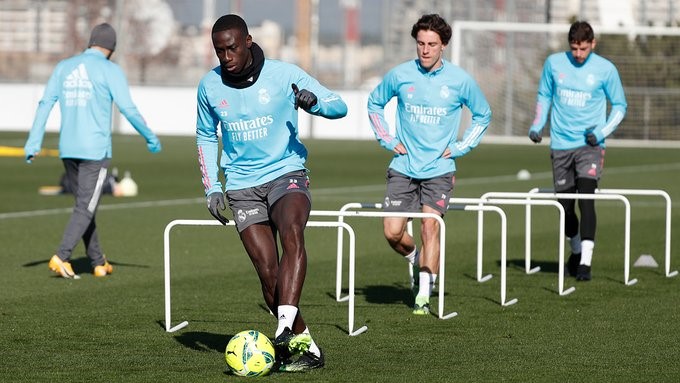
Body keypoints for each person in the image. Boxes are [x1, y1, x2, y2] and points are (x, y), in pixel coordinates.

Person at [196, 14, 347, 372]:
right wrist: (212, 187)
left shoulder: (284, 75)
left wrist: (315, 104)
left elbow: (339, 105)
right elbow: (205, 135)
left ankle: (281, 328)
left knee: (292, 233)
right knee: (268, 273)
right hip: (241, 186)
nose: (226, 56)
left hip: (286, 173)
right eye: (219, 50)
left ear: (248, 41)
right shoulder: (209, 86)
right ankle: (305, 346)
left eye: (232, 47)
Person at [367, 14, 492, 315]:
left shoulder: (460, 80)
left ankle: (423, 295)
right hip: (403, 166)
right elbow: (374, 104)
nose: (425, 50)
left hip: (439, 169)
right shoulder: (400, 75)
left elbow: (483, 114)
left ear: (443, 46)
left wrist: (462, 146)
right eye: (421, 43)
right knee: (392, 232)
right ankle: (416, 258)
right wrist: (387, 139)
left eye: (432, 44)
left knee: (430, 228)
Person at [24, 23, 162, 279]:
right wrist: (150, 137)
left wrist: (34, 142)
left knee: (85, 205)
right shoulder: (110, 69)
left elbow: (45, 103)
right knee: (85, 207)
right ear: (111, 48)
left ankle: (98, 261)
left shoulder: (64, 67)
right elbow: (128, 109)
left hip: (68, 149)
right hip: (95, 152)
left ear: (90, 43)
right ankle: (62, 256)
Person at [528, 21, 627, 281]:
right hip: (561, 144)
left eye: (583, 49)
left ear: (592, 44)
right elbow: (544, 95)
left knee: (587, 199)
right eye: (574, 48)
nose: (578, 54)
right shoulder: (554, 63)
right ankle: (575, 250)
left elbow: (620, 105)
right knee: (566, 207)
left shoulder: (606, 69)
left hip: (590, 146)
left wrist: (602, 132)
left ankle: (585, 262)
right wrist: (538, 125)